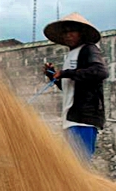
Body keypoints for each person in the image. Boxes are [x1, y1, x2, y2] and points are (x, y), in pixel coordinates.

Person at [43, 12, 109, 161]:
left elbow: (100, 71)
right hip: (70, 119)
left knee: (80, 164)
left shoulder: (89, 49)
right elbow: (69, 86)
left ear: (82, 33)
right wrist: (52, 74)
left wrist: (66, 72)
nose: (67, 35)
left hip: (83, 119)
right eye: (65, 32)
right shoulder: (71, 55)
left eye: (72, 31)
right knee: (71, 163)